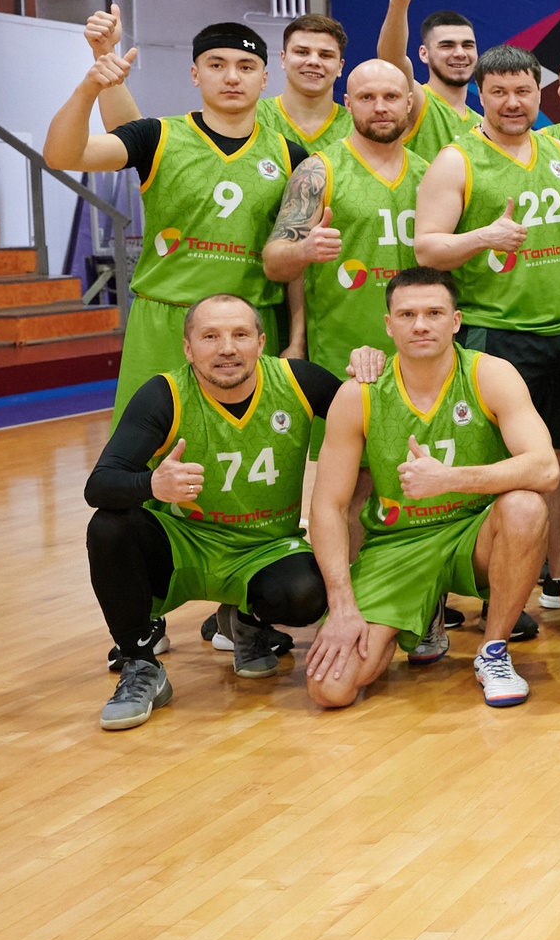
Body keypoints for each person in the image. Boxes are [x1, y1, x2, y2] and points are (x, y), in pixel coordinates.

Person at [83, 295, 376, 728]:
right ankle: (140, 663)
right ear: (188, 348)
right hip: (185, 545)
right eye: (210, 337)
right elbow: (99, 485)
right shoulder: (164, 395)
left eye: (240, 335)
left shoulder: (298, 381)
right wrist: (152, 484)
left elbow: (376, 416)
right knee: (108, 526)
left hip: (265, 549)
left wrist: (371, 370)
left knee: (306, 595)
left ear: (261, 342)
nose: (227, 348)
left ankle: (247, 620)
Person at [305, 267, 560, 709]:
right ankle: (425, 611)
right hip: (398, 544)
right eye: (407, 315)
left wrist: (449, 479)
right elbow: (328, 505)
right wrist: (342, 604)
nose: (421, 325)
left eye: (434, 313)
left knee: (526, 507)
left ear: (456, 321)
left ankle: (493, 651)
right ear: (389, 325)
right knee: (330, 688)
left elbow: (545, 469)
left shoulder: (490, 374)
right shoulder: (357, 394)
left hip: (473, 535)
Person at [41, 22, 314, 419]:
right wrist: (89, 88)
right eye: (217, 65)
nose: (232, 77)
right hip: (164, 321)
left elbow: (295, 263)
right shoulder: (156, 136)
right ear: (195, 74)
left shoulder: (292, 157)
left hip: (251, 324)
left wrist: (297, 338)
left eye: (246, 66)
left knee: (247, 445)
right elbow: (61, 156)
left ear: (264, 78)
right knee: (151, 448)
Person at [413, 44, 560, 605]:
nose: (512, 103)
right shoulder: (456, 160)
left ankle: (554, 574)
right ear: (481, 95)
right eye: (499, 92)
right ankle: (491, 589)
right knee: (496, 462)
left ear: (539, 93)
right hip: (495, 333)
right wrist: (483, 236)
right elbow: (426, 247)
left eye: (522, 91)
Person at [287, 60, 427, 380]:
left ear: (408, 103)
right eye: (366, 97)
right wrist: (297, 341)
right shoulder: (318, 170)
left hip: (417, 350)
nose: (380, 107)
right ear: (348, 104)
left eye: (391, 97)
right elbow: (280, 264)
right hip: (338, 354)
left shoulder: (430, 174)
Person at [374, 0, 482, 163]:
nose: (460, 53)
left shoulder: (482, 124)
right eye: (447, 45)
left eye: (467, 45)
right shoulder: (416, 101)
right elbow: (391, 61)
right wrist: (399, 3)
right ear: (424, 54)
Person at [252, 13, 354, 158]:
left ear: (340, 66)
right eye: (302, 52)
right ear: (283, 59)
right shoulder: (251, 117)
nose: (313, 61)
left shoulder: (357, 127)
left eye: (325, 55)